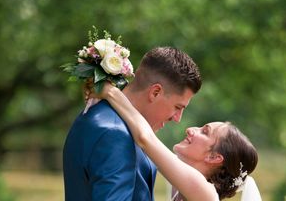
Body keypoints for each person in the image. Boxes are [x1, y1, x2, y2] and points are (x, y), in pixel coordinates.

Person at [62, 46, 202, 201]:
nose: (177, 118)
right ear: (155, 92)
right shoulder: (115, 134)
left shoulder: (98, 115)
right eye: (178, 107)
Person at [92, 82, 260, 201]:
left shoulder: (205, 193)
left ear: (214, 157)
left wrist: (110, 91)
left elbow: (145, 138)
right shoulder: (181, 186)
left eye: (205, 131)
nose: (191, 129)